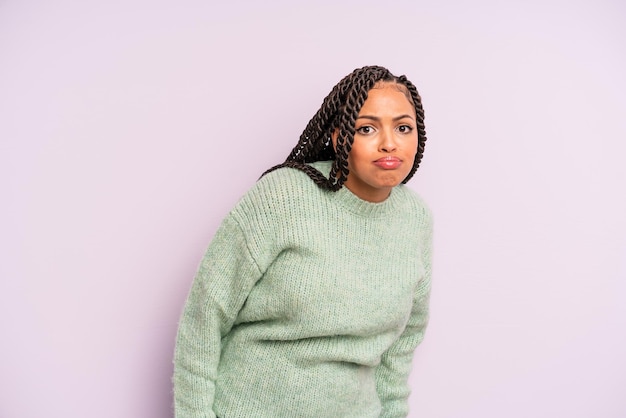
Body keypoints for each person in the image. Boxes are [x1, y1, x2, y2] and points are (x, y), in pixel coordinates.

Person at [173, 65, 433, 418]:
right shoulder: (283, 196)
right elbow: (205, 316)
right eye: (367, 128)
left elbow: (402, 344)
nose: (389, 143)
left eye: (403, 128)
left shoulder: (415, 218)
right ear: (341, 138)